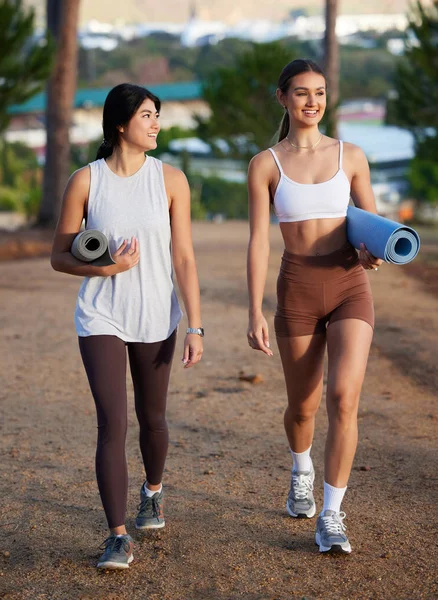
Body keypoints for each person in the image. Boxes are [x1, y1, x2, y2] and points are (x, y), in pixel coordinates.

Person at [51, 83, 204, 569]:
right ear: (120, 124)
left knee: (152, 418)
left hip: (158, 315)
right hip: (101, 313)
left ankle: (152, 492)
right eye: (146, 115)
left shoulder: (171, 179)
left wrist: (195, 326)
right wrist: (106, 269)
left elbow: (183, 257)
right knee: (112, 422)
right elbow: (59, 255)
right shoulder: (85, 181)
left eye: (157, 114)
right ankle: (117, 535)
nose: (156, 122)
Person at [246, 59, 382, 554]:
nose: (312, 102)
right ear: (282, 97)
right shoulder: (266, 164)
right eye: (301, 93)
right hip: (297, 289)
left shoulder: (352, 156)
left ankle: (332, 514)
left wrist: (374, 251)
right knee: (302, 407)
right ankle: (301, 469)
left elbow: (372, 223)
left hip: (349, 285)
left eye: (320, 93)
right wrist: (254, 309)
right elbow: (260, 240)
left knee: (343, 397)